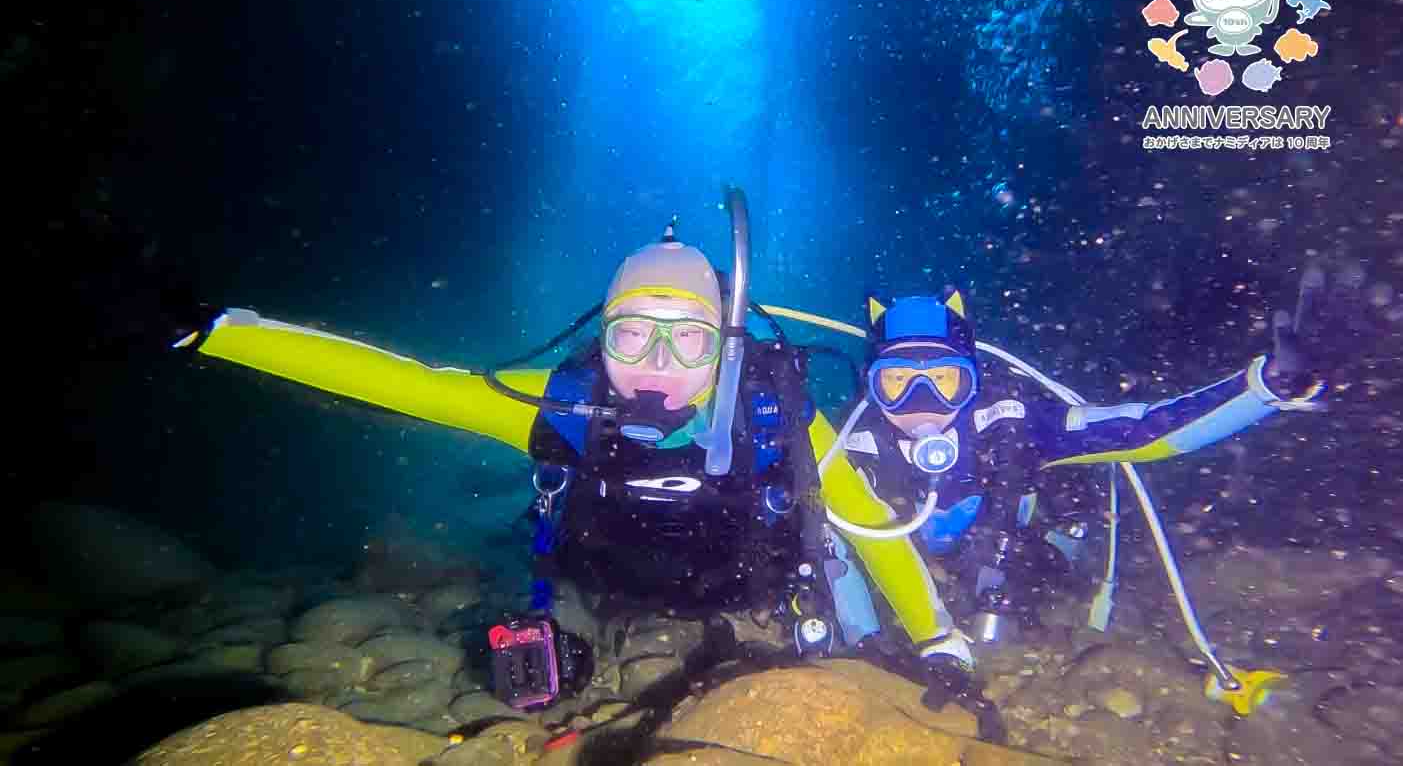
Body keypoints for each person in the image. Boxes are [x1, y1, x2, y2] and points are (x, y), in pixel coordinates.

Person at [174, 195, 968, 726]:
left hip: (751, 592)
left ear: (726, 345)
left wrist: (938, 638)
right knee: (540, 654)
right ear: (601, 336)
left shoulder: (776, 413)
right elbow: (409, 384)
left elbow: (869, 524)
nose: (657, 364)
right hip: (608, 586)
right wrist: (214, 329)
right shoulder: (561, 402)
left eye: (688, 339)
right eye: (633, 334)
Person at [824, 269, 1346, 715]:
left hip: (1005, 553)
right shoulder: (851, 448)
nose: (922, 402)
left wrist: (1264, 388)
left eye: (944, 380)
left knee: (1048, 558)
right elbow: (829, 544)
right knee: (828, 524)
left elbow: (1142, 430)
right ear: (871, 385)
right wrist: (864, 651)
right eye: (897, 383)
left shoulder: (1013, 424)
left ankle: (1063, 571)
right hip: (913, 561)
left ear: (973, 380)